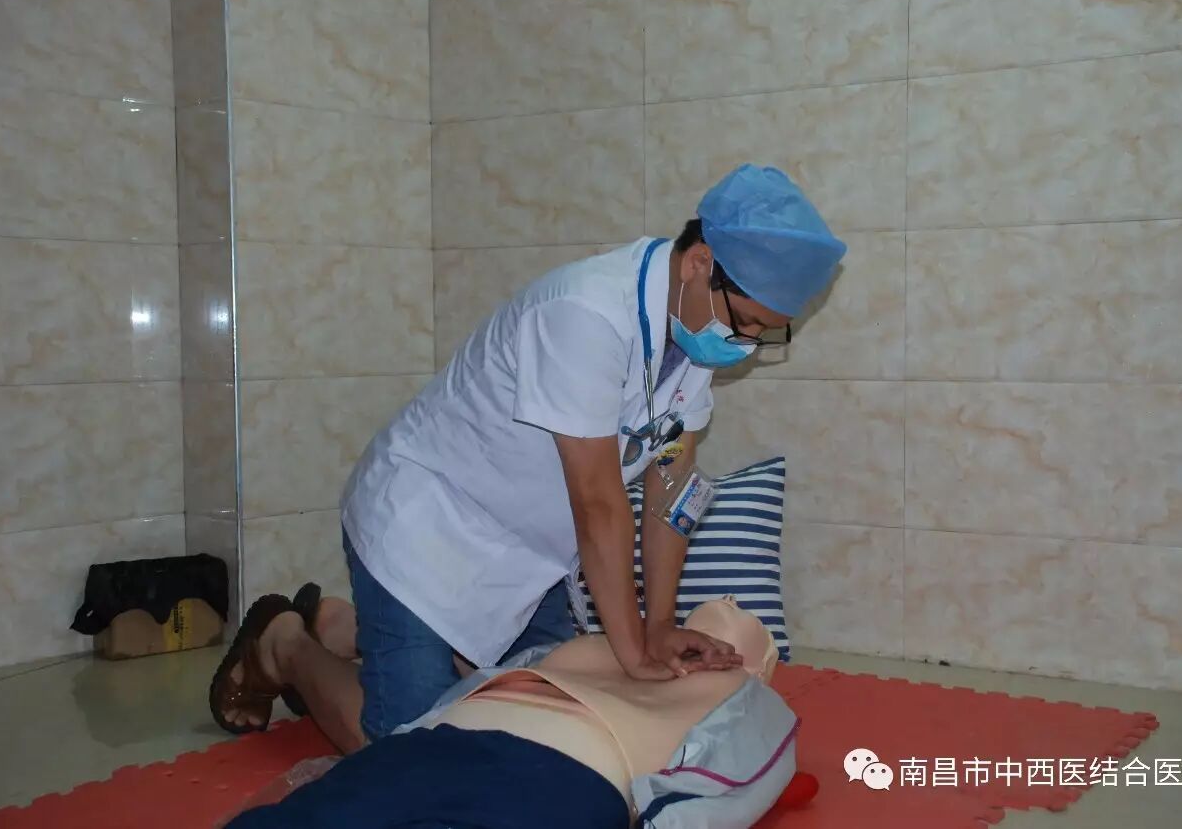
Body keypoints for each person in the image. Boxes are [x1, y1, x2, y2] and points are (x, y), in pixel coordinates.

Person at [209, 164, 846, 747]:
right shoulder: (586, 314)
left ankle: (344, 627)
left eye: (766, 332)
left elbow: (671, 491)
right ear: (699, 264)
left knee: (542, 721)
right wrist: (634, 652)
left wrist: (659, 627)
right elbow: (599, 503)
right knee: (410, 752)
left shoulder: (693, 334)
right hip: (427, 521)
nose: (747, 345)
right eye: (748, 324)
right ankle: (283, 644)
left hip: (525, 556)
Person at [225, 597, 796, 829]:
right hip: (566, 778)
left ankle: (324, 633)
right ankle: (311, 639)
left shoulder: (602, 643)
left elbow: (484, 680)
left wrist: (411, 735)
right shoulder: (753, 699)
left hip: (443, 739)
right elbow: (717, 795)